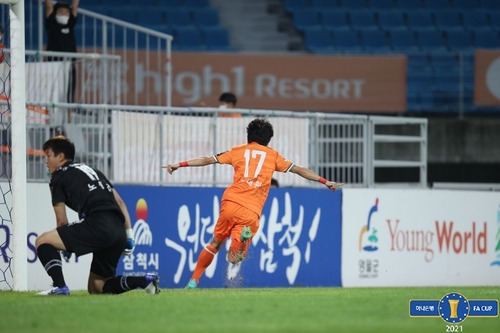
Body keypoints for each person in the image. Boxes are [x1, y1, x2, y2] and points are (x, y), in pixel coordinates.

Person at [162, 118, 343, 288]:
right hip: (251, 210)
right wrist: (325, 182)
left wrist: (180, 164)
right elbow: (299, 170)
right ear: (268, 140)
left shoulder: (237, 151)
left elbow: (207, 159)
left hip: (230, 202)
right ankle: (242, 240)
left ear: (248, 136)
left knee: (215, 243)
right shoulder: (273, 156)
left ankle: (193, 281)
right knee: (234, 258)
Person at [36, 136, 160, 295]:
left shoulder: (58, 177)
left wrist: (64, 243)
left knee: (43, 241)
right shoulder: (93, 171)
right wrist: (129, 235)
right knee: (97, 287)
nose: (46, 160)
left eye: (48, 155)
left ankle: (59, 286)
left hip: (98, 224)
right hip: (118, 229)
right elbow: (120, 202)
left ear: (60, 156)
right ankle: (144, 280)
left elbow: (61, 221)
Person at [45, 0, 79, 103]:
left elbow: (75, 6)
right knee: (52, 92)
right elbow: (49, 7)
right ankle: (50, 116)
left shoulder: (70, 24)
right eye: (60, 12)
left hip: (69, 65)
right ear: (55, 13)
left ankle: (68, 117)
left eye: (66, 12)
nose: (63, 14)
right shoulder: (52, 25)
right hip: (53, 65)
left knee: (69, 93)